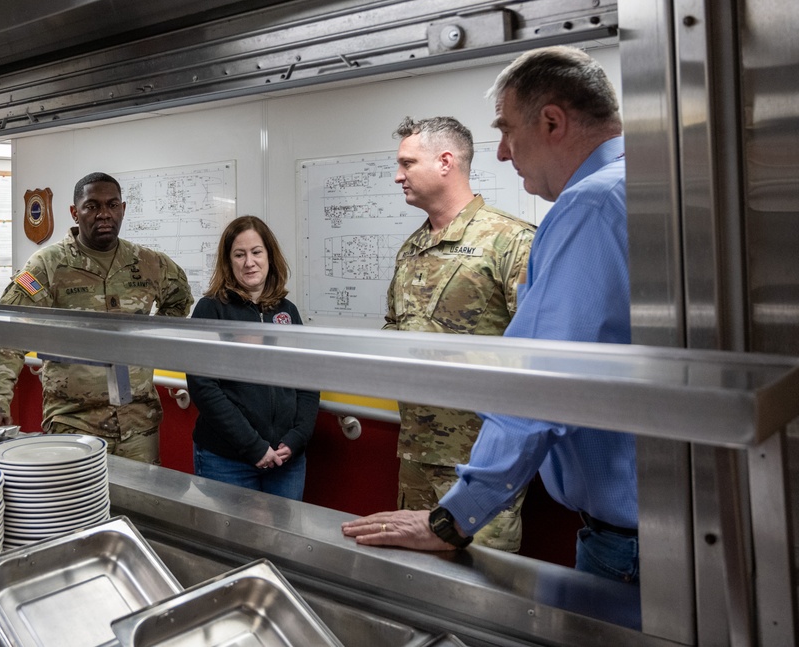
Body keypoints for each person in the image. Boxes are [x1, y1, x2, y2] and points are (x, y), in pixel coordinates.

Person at [342, 46, 639, 585]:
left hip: (506, 479)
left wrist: (458, 517)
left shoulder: (581, 210)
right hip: (424, 451)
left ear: (552, 121)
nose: (501, 152)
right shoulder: (635, 188)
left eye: (506, 130)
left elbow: (537, 382)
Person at [386, 116, 534, 552]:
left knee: (483, 588)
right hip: (416, 453)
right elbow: (394, 330)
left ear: (446, 162)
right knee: (418, 581)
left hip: (481, 465)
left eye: (407, 163)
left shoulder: (510, 241)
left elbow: (536, 355)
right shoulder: (411, 249)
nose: (399, 175)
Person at [0, 171, 193, 464]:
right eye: (92, 206)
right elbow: (11, 333)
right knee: (74, 506)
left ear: (123, 209)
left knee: (139, 507)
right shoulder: (47, 265)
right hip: (73, 422)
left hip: (138, 423)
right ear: (74, 213)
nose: (104, 214)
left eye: (112, 205)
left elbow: (180, 298)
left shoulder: (149, 263)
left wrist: (153, 341)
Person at [186, 215, 320, 500]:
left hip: (287, 460)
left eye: (256, 252)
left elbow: (307, 378)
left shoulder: (288, 311)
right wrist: (253, 446)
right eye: (239, 254)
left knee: (280, 542)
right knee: (228, 542)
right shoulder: (211, 310)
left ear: (269, 256)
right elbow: (204, 387)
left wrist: (298, 437)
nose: (249, 262)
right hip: (227, 460)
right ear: (228, 261)